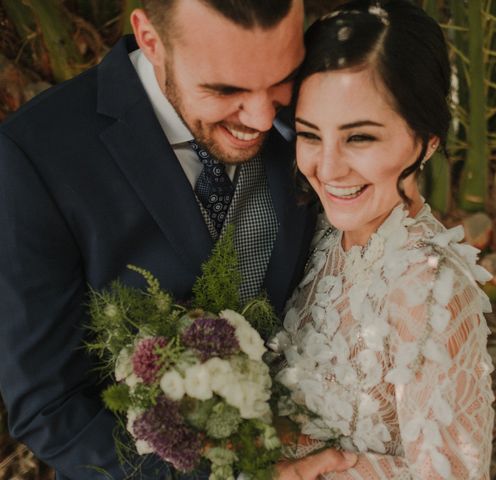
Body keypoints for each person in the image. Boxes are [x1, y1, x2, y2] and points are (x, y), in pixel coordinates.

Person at [0, 1, 355, 478]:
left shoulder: (316, 101)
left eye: (280, 80)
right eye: (226, 90)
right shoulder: (35, 157)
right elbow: (50, 406)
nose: (264, 118)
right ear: (150, 39)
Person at [273, 1, 495, 478]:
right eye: (310, 135)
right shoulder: (314, 229)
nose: (327, 168)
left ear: (426, 140)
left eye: (359, 139)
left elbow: (452, 472)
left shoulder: (432, 291)